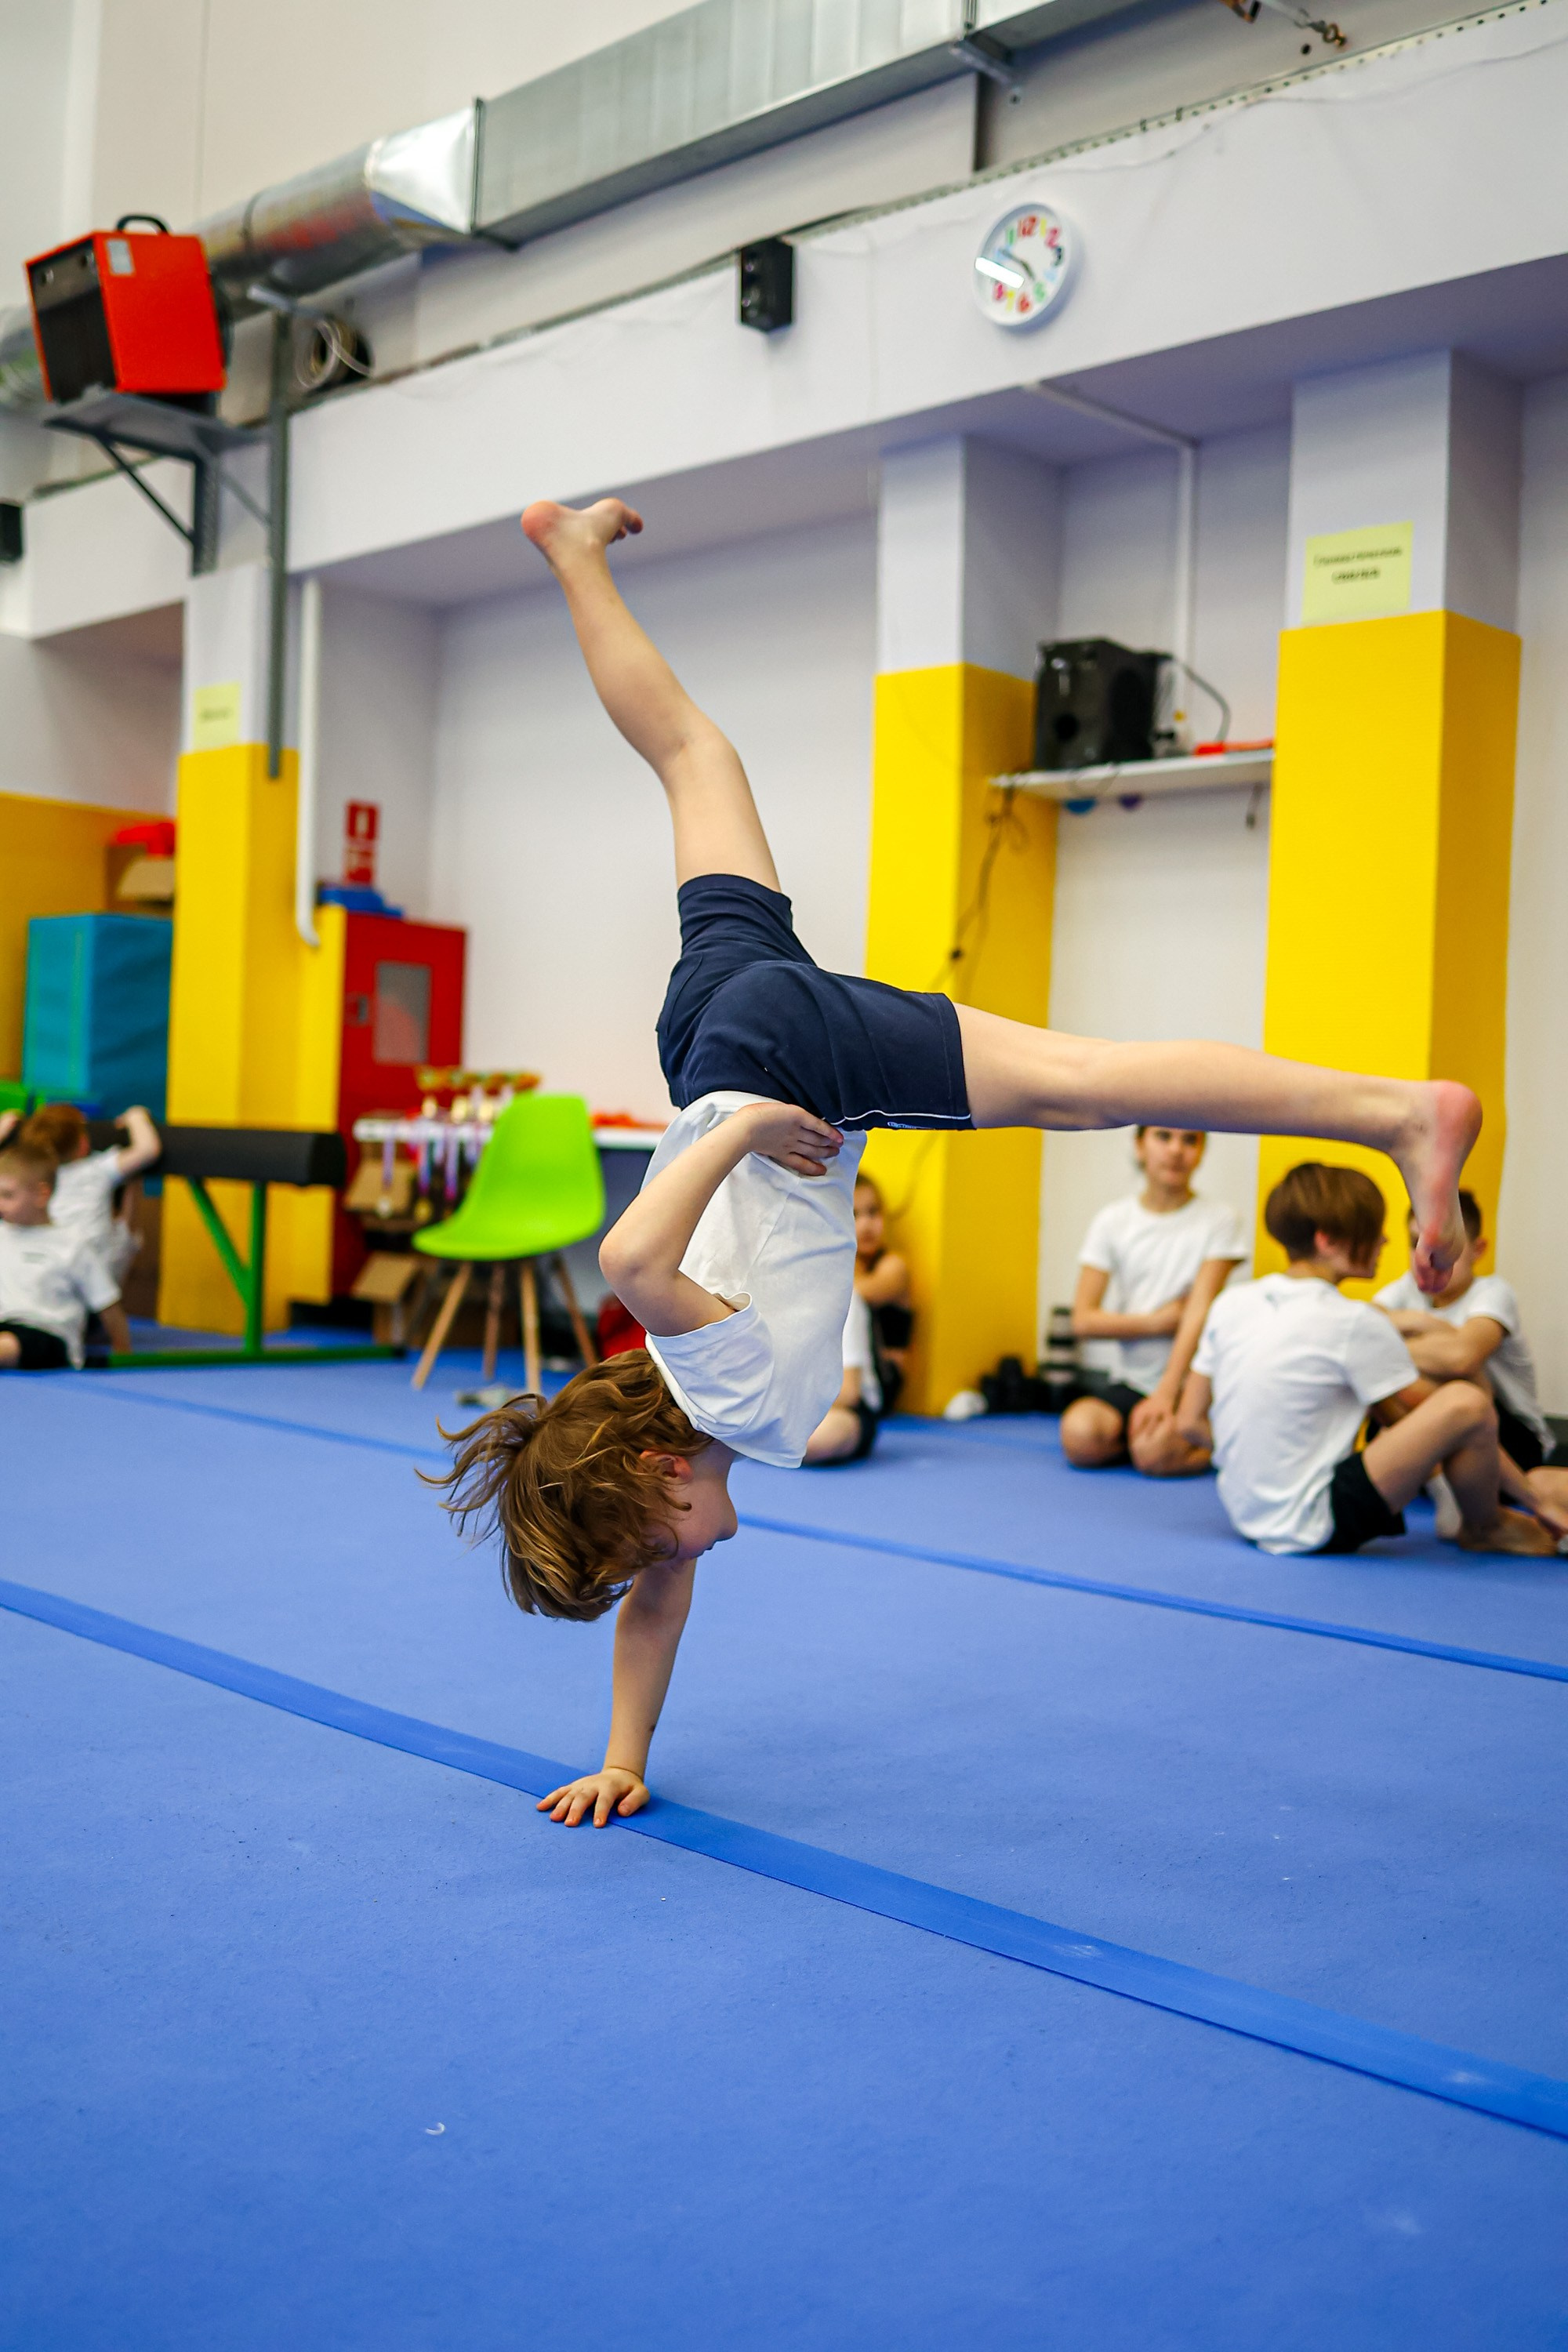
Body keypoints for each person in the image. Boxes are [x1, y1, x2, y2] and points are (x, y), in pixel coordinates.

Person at [434, 496, 1487, 1829]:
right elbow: (656, 1604)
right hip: (707, 1041)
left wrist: (753, 1128)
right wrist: (625, 1757)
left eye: (650, 1548)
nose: (662, 1570)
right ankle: (573, 552)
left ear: (658, 1477)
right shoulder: (686, 1431)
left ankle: (1397, 1117)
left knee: (1084, 1087)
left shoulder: (730, 1397)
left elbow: (634, 1256)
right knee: (695, 759)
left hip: (782, 1067)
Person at [1175, 1163, 1559, 1558]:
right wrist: (1534, 1500)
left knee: (1392, 1402)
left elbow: (1189, 1422)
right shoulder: (1351, 1320)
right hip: (1316, 1521)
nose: (1385, 1239)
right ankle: (1487, 1525)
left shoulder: (1231, 1302)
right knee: (1467, 1402)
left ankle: (1461, 1503)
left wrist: (1254, 1462)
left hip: (1242, 1511)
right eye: (1373, 1230)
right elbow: (1456, 1414)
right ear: (1327, 1241)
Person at [1060, 1126, 1246, 1476]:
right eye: (1163, 1137)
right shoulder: (1112, 1221)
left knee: (1154, 1455)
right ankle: (1147, 1437)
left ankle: (1221, 1445)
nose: (1176, 1150)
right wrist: (1155, 1323)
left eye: (1190, 1140)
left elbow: (1197, 1310)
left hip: (1192, 1383)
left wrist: (1166, 1393)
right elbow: (1083, 1320)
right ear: (1139, 1145)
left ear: (1202, 1151)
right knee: (1079, 1434)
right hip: (1132, 1381)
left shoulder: (1220, 1219)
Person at [1375, 1190, 1568, 1522]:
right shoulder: (1405, 1290)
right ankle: (1441, 1486)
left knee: (1438, 1380)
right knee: (1380, 1387)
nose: (1426, 1259)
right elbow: (1361, 1334)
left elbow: (1461, 1357)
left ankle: (1449, 1489)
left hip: (1510, 1438)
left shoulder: (1493, 1293)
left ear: (1478, 1249)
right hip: (1443, 1432)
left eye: (1444, 1248)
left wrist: (1396, 1340)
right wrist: (1426, 1325)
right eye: (1415, 1243)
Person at [13, 1101, 161, 1353]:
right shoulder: (97, 1170)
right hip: (91, 1299)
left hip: (41, 1290)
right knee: (127, 1235)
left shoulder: (31, 1178)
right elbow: (148, 1150)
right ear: (83, 1144)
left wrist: (5, 1126)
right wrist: (137, 1116)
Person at [0, 1138, 123, 1371]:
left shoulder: (71, 1244)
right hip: (5, 1326)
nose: (0, 1203)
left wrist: (123, 1349)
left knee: (9, 1345)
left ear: (41, 1194)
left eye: (8, 1195)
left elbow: (108, 1304)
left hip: (48, 1334)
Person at [851, 1173, 912, 1410]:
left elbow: (854, 1294)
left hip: (883, 1381)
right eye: (854, 1215)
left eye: (873, 1212)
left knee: (850, 1302)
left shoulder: (893, 1267)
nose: (866, 1225)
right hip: (849, 1373)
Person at [802, 1287, 883, 1465]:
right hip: (779, 1406)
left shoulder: (844, 1298)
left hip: (843, 1408)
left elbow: (848, 1392)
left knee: (820, 1437)